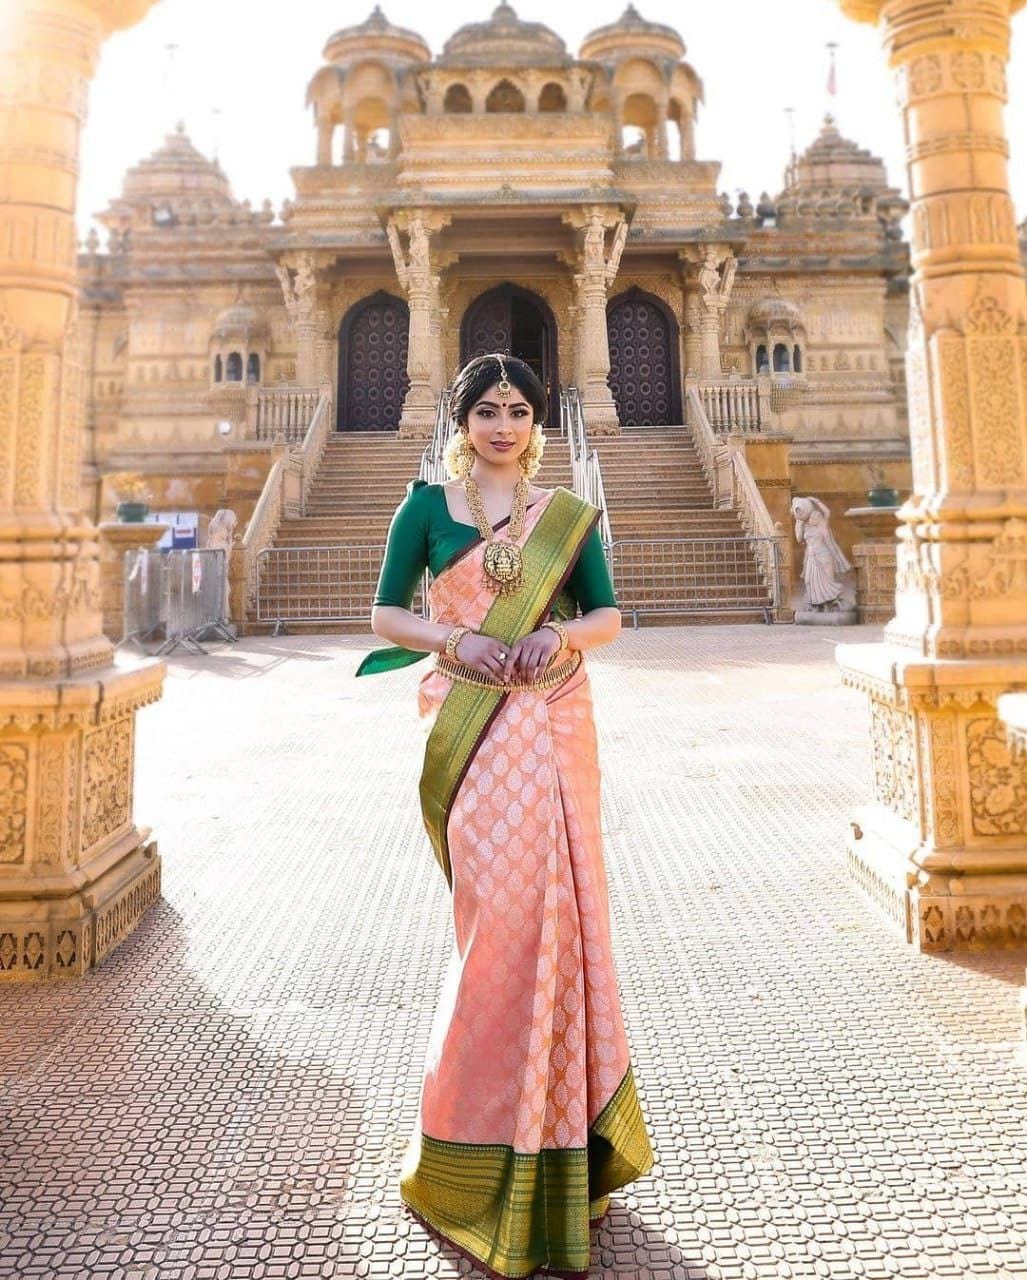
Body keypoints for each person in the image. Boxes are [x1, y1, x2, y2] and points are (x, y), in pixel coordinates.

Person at [356, 352, 654, 1278]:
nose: (502, 424)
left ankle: (561, 1148)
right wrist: (461, 637)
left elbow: (606, 615)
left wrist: (556, 634)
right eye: (486, 410)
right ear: (461, 419)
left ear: (536, 424)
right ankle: (466, 1152)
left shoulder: (566, 515)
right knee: (496, 927)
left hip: (553, 724)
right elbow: (382, 616)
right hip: (471, 728)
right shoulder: (426, 508)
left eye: (518, 410)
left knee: (558, 923)